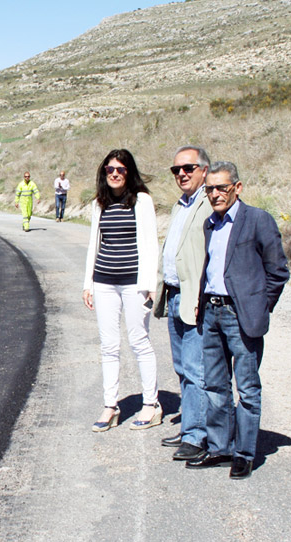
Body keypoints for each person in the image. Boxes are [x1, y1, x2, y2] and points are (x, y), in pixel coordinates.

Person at [186, 162, 289, 479]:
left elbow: (277, 271)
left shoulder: (258, 220)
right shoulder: (210, 224)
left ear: (238, 188)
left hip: (241, 315)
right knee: (215, 386)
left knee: (247, 388)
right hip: (212, 313)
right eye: (210, 189)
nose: (215, 194)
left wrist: (259, 307)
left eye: (222, 188)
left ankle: (244, 454)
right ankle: (220, 448)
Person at [82, 149, 160, 432]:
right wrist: (88, 283)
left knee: (139, 341)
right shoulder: (99, 203)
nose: (114, 174)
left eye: (121, 169)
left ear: (129, 172)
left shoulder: (141, 201)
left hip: (134, 283)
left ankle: (151, 404)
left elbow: (151, 243)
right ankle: (110, 406)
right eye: (110, 169)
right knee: (109, 345)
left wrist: (151, 285)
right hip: (104, 281)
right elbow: (94, 243)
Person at [153, 146, 213, 462]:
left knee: (195, 368)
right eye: (176, 170)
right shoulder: (181, 204)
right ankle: (190, 425)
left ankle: (197, 436)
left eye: (188, 168)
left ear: (204, 169)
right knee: (182, 367)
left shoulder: (210, 202)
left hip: (195, 299)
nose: (181, 174)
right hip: (174, 295)